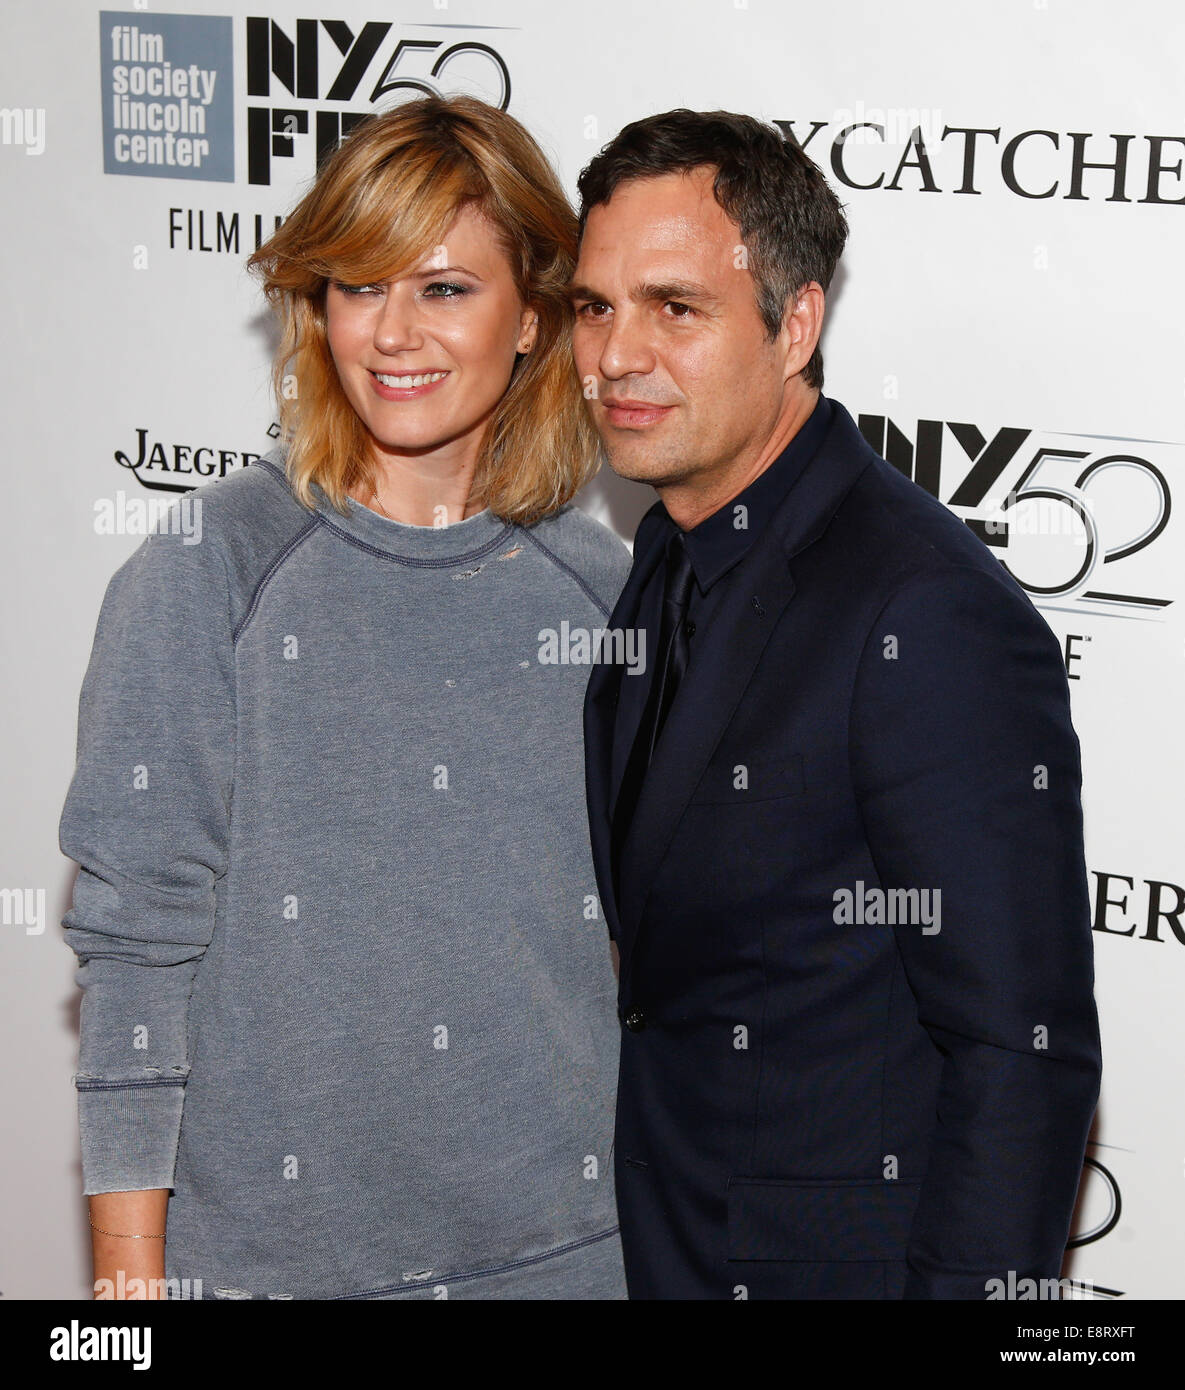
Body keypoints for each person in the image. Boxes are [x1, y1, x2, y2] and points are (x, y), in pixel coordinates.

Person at [59, 95, 630, 1300]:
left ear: (532, 316)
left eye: (444, 289)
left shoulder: (603, 595)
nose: (394, 333)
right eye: (359, 286)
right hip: (273, 1270)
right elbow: (135, 948)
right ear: (315, 309)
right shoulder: (208, 568)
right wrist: (124, 1288)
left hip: (566, 1259)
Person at [572, 108, 1103, 1299]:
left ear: (796, 322)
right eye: (595, 306)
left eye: (676, 308)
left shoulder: (924, 611)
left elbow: (1021, 1054)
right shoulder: (670, 545)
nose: (615, 356)